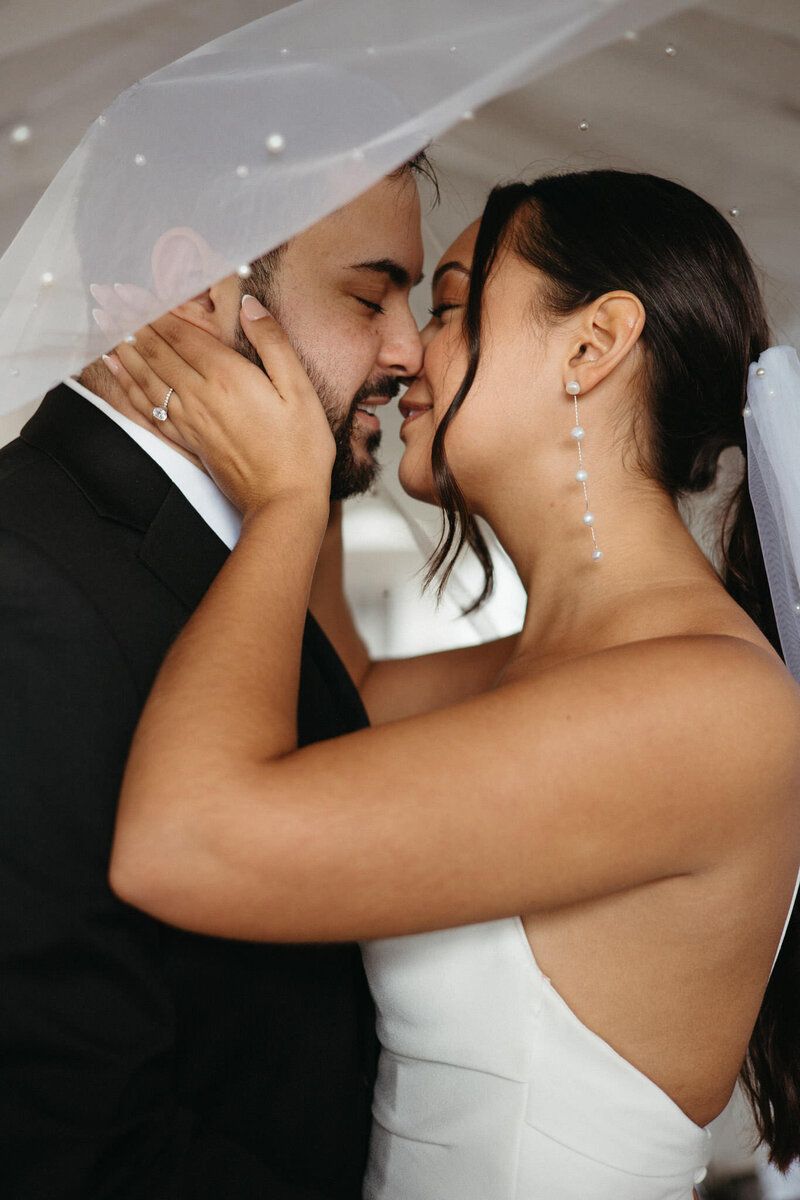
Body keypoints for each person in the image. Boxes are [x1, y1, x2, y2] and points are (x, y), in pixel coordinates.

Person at [107, 169, 800, 1200]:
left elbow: (185, 845)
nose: (403, 353)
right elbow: (288, 715)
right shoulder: (497, 678)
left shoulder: (708, 709)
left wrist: (288, 502)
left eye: (444, 305)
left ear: (592, 344)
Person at [0, 160, 432, 1199]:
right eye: (368, 296)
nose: (407, 353)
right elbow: (58, 1135)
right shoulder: (27, 583)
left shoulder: (229, 559)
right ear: (200, 291)